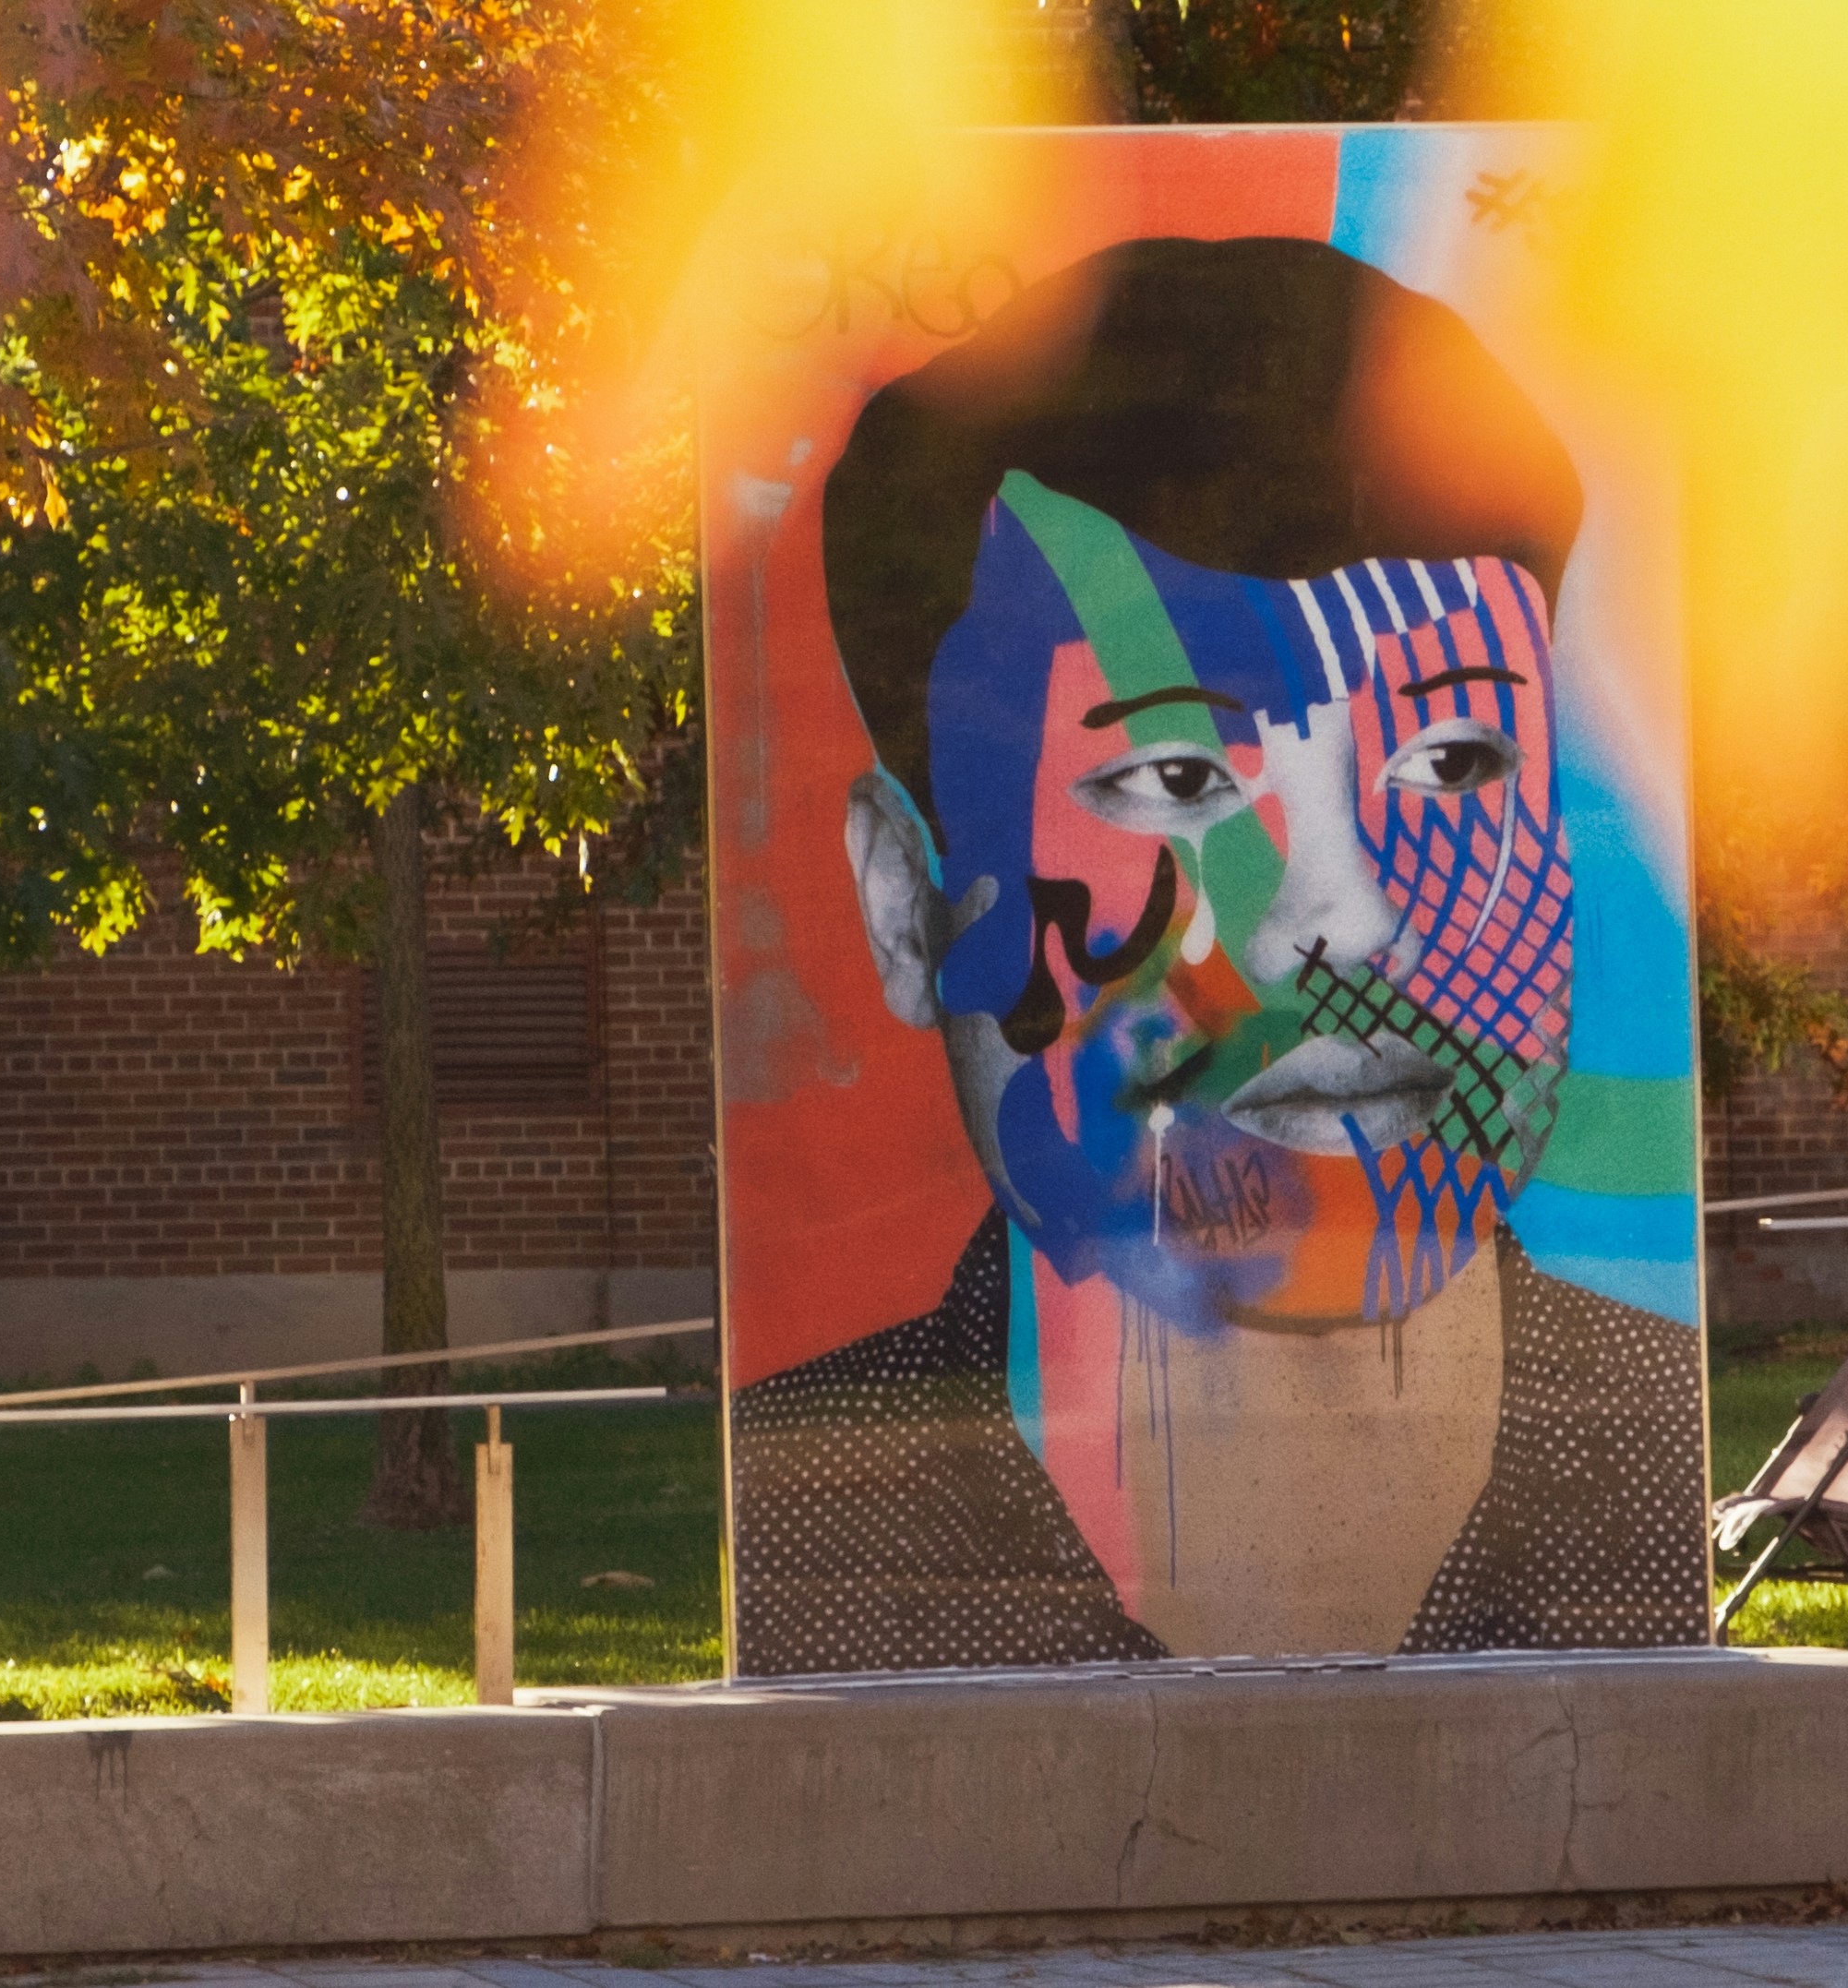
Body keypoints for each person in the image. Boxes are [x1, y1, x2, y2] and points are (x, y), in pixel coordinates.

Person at [726, 235, 1708, 1678]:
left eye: (1451, 757)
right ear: (903, 901)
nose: (1338, 918)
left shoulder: (1649, 1469)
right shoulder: (822, 1519)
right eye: (1180, 782)